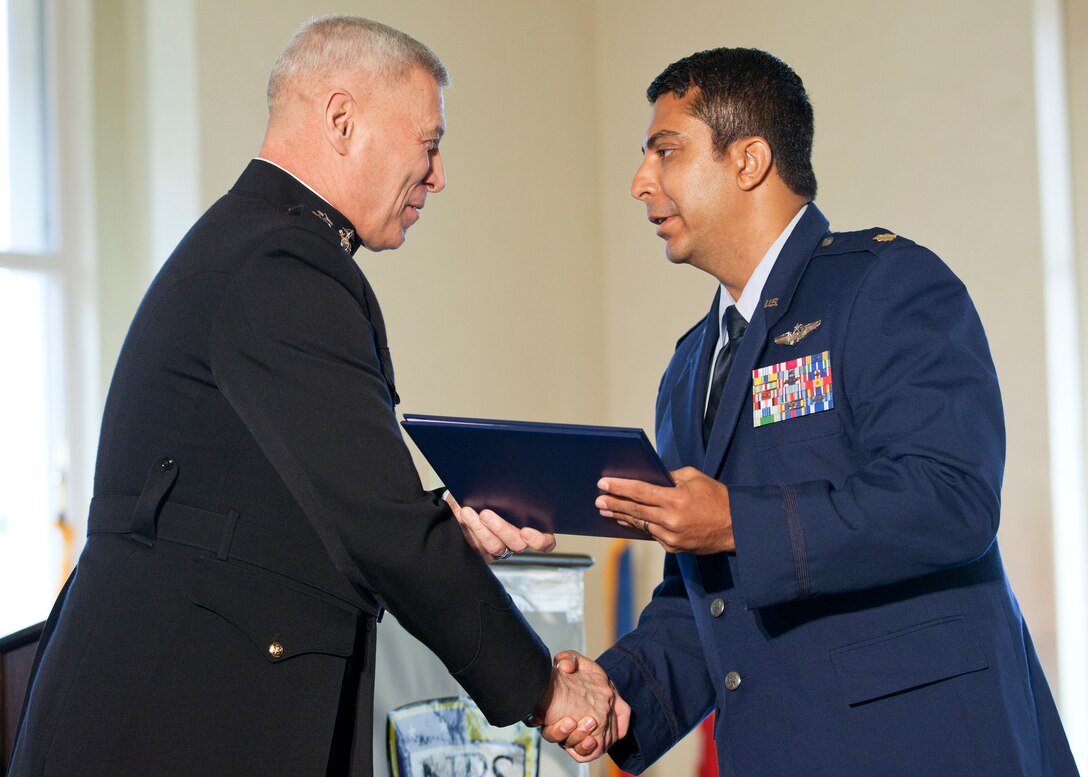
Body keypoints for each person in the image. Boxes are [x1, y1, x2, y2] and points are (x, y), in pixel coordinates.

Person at [9, 16, 625, 777]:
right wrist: (545, 691)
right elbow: (379, 523)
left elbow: (280, 512)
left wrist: (445, 533)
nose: (438, 175)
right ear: (341, 119)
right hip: (174, 725)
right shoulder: (281, 262)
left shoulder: (258, 246)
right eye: (429, 144)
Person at [544, 48, 1079, 775]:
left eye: (665, 152)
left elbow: (951, 497)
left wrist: (735, 519)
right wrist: (621, 687)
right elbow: (709, 594)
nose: (642, 183)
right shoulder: (688, 367)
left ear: (749, 160)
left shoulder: (887, 284)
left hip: (929, 750)